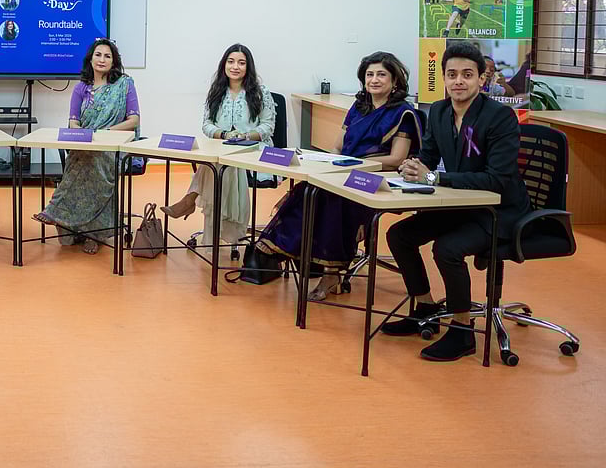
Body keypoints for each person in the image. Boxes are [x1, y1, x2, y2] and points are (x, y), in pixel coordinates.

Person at [384, 41, 530, 362]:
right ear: (444, 78)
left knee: (446, 249)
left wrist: (434, 178)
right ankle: (424, 306)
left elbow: (497, 179)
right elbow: (428, 157)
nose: (458, 81)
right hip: (462, 203)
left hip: (499, 211)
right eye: (452, 75)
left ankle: (462, 333)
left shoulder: (500, 117)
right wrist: (412, 167)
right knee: (399, 235)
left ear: (481, 79)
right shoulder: (438, 110)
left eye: (467, 74)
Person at [253, 51, 420, 297]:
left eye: (381, 75)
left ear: (395, 80)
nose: (374, 79)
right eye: (369, 74)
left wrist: (356, 164)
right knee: (308, 191)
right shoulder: (359, 107)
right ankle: (303, 256)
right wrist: (330, 164)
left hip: (377, 178)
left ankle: (331, 274)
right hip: (345, 170)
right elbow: (337, 148)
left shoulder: (402, 113)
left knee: (334, 200)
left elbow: (397, 159)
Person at [160, 44, 275, 247]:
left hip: (253, 150)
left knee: (219, 165)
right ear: (224, 64)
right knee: (215, 162)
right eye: (231, 61)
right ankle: (217, 225)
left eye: (241, 62)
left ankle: (189, 202)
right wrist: (224, 134)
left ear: (249, 67)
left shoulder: (260, 92)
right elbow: (207, 125)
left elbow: (268, 126)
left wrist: (246, 135)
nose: (235, 67)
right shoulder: (217, 91)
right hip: (222, 147)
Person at [34, 39, 140, 254]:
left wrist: (106, 134)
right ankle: (69, 224)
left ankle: (91, 231)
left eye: (107, 56)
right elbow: (73, 121)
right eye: (98, 55)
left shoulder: (125, 84)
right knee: (83, 157)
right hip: (85, 145)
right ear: (90, 59)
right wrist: (83, 134)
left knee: (96, 160)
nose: (102, 60)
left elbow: (134, 120)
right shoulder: (81, 88)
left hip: (113, 144)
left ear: (114, 61)